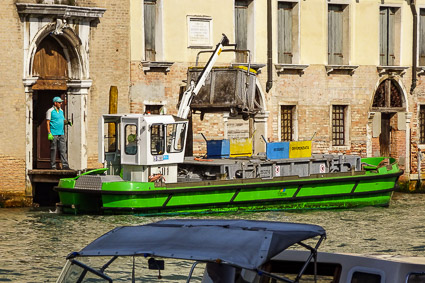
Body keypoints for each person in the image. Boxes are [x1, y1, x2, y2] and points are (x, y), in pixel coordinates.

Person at [46, 97, 72, 170]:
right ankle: (53, 166)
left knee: (63, 149)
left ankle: (65, 165)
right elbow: (48, 122)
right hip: (53, 133)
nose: (61, 103)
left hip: (61, 133)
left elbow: (63, 120)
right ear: (55, 103)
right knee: (53, 150)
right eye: (59, 102)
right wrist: (49, 133)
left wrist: (67, 122)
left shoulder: (61, 111)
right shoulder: (50, 111)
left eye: (61, 102)